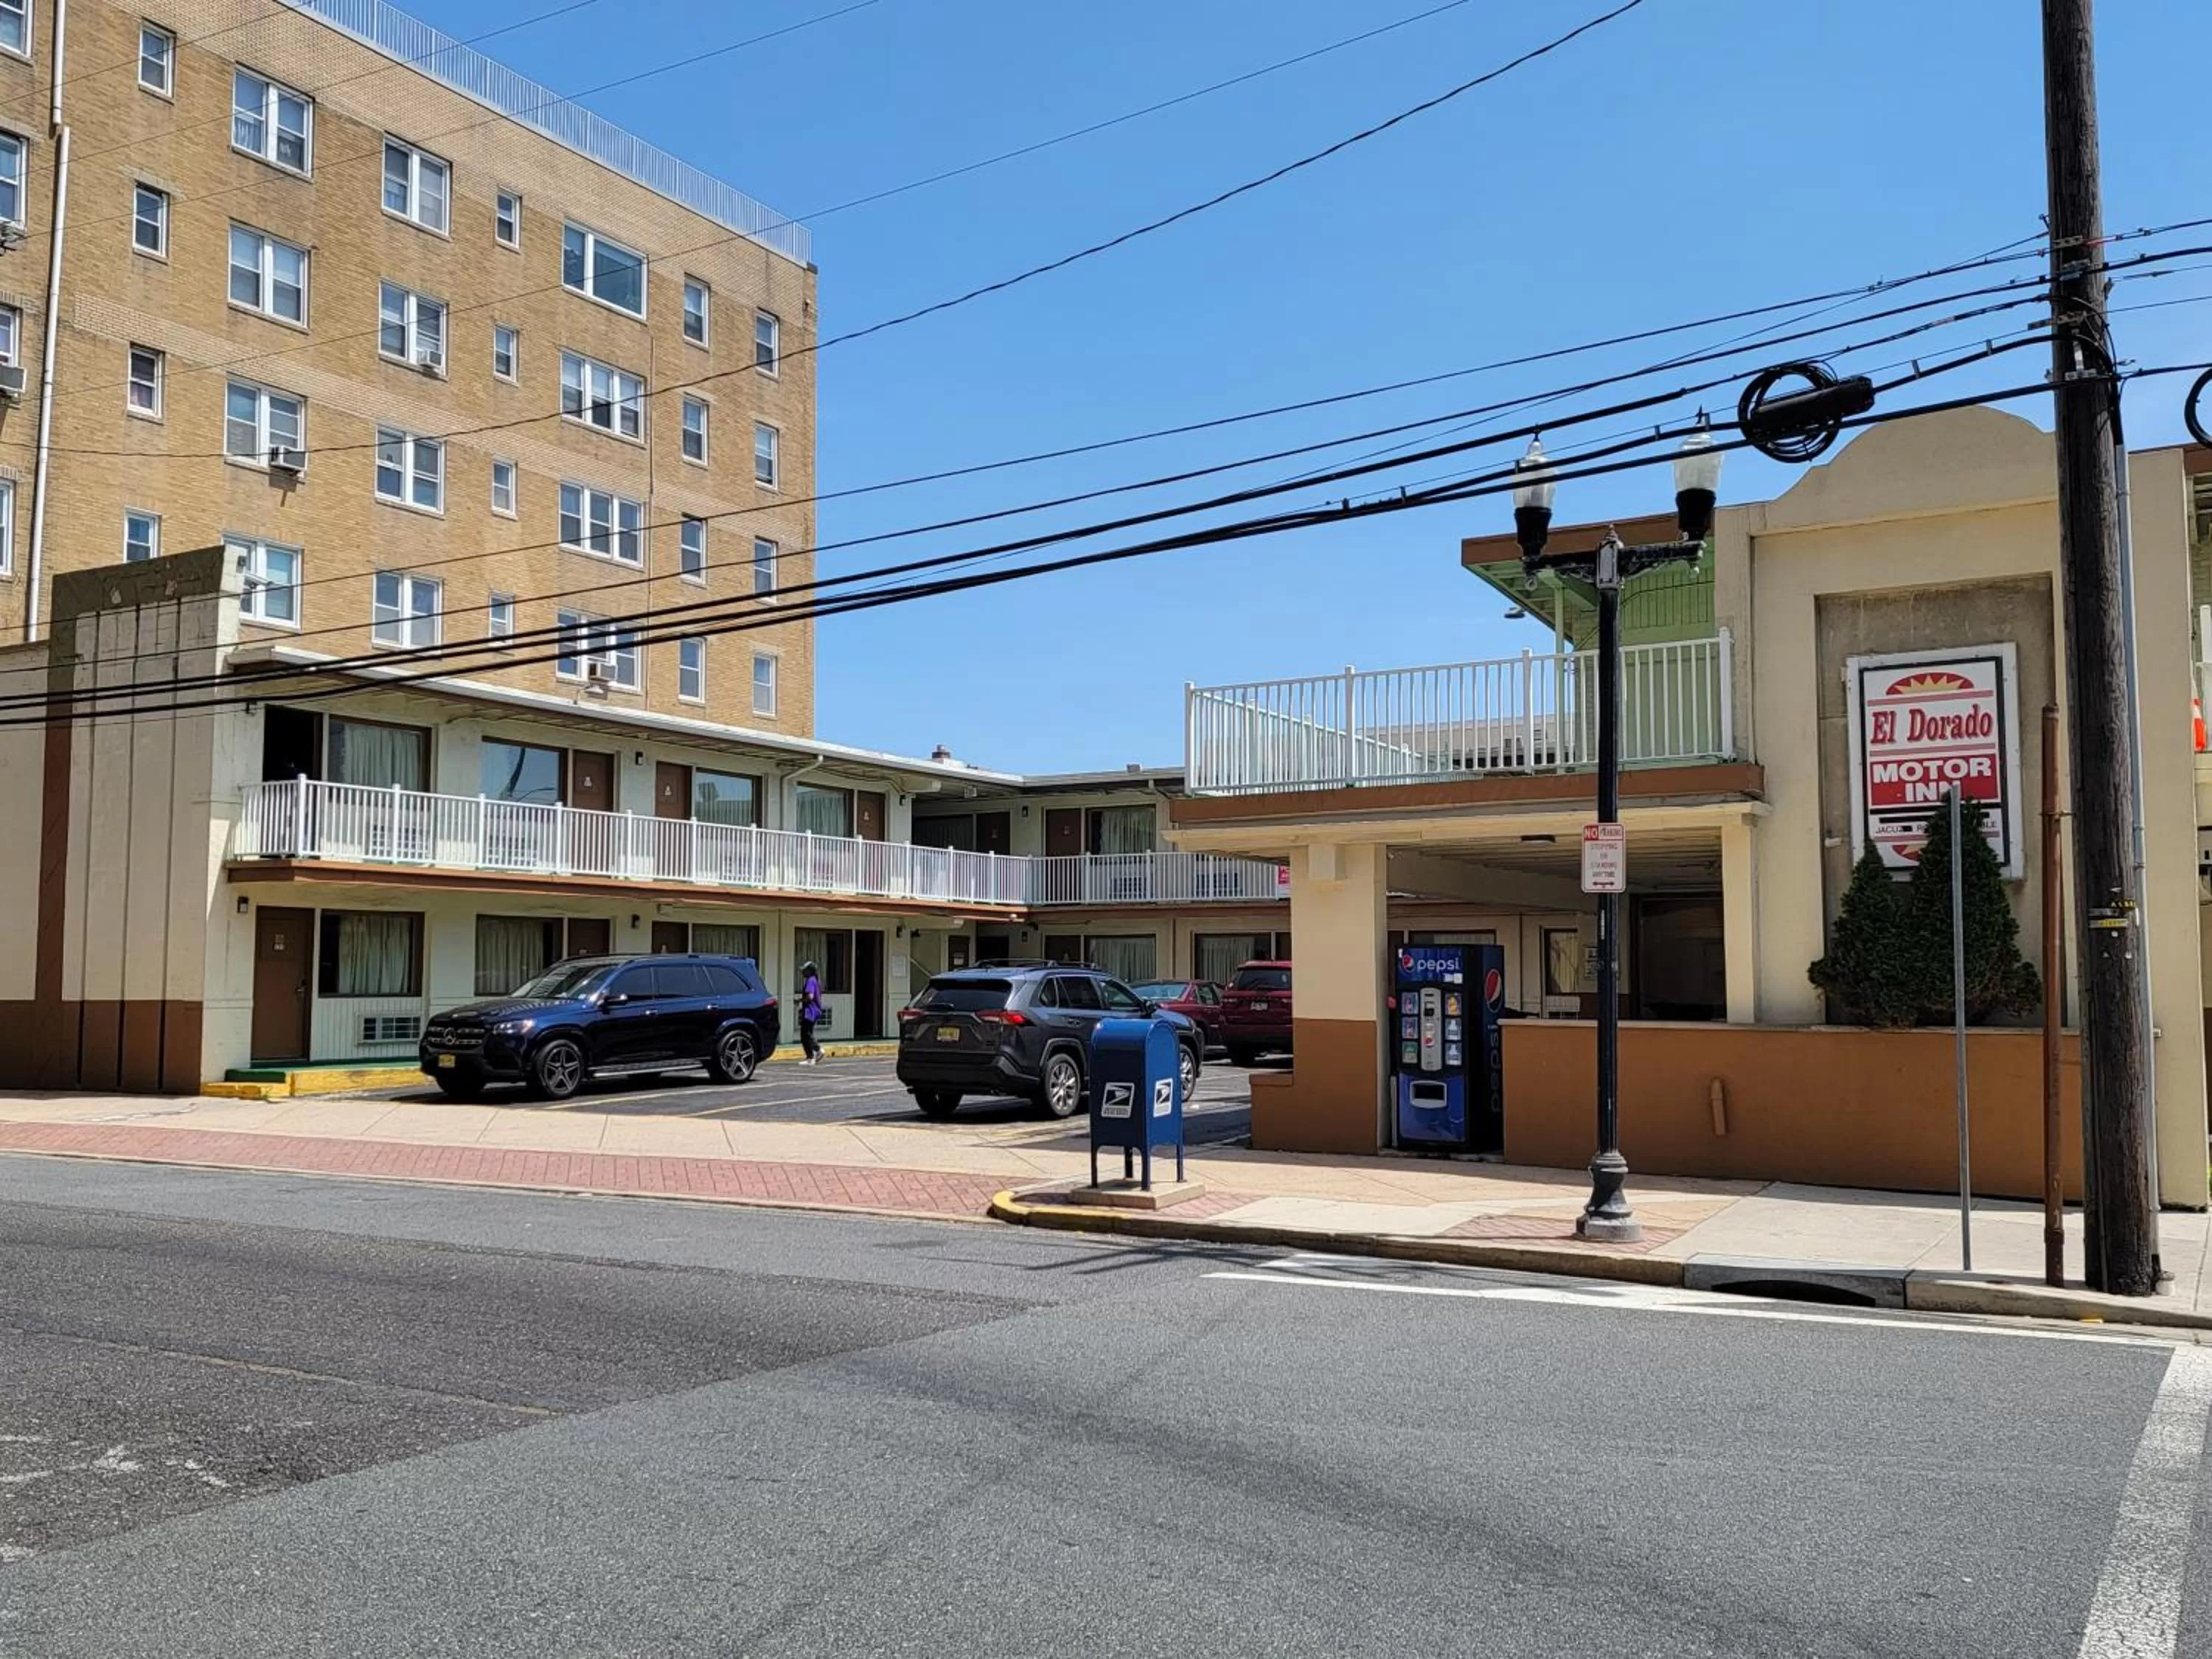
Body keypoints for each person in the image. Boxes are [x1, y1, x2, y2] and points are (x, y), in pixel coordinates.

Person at [798, 961, 824, 1065]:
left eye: (804, 970)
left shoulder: (810, 981)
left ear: (809, 971)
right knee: (808, 1033)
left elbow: (810, 997)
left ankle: (815, 1052)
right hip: (814, 1011)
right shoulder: (815, 980)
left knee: (805, 1034)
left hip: (810, 1011)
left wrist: (800, 1001)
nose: (802, 972)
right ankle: (812, 1056)